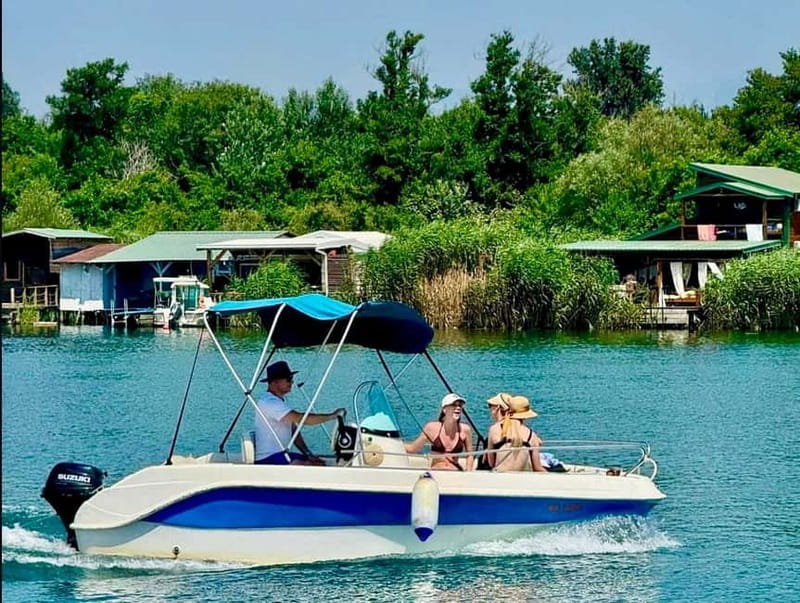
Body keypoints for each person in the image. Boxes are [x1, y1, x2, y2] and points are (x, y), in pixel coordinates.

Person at [254, 360, 345, 465]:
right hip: (269, 458)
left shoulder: (281, 401)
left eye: (291, 379)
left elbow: (294, 431)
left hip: (281, 455)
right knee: (311, 466)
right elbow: (300, 419)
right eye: (288, 379)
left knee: (318, 462)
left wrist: (307, 453)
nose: (292, 382)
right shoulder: (269, 402)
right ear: (274, 382)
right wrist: (332, 416)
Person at [405, 393, 474, 471]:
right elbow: (413, 449)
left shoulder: (465, 429)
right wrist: (392, 443)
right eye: (454, 405)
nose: (458, 407)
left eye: (460, 405)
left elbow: (470, 454)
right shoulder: (432, 428)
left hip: (455, 472)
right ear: (444, 409)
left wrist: (468, 472)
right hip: (437, 472)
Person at [486, 395, 546, 472]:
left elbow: (491, 463)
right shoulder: (531, 435)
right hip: (519, 480)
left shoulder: (494, 429)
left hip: (499, 478)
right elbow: (537, 468)